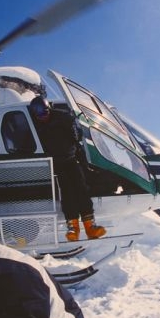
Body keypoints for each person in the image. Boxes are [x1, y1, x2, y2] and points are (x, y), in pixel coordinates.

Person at [29, 96, 106, 242]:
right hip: (56, 164)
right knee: (67, 194)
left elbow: (77, 137)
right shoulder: (36, 126)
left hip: (71, 160)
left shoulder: (62, 118)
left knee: (82, 190)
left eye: (45, 113)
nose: (42, 117)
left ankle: (91, 227)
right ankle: (73, 228)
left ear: (49, 110)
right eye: (39, 115)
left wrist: (83, 160)